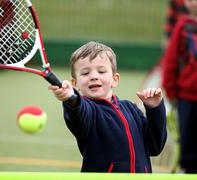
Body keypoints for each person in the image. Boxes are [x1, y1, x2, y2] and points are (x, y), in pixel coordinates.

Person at [49, 41, 167, 173]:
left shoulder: (131, 109)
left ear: (114, 79)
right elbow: (78, 112)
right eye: (85, 73)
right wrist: (71, 97)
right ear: (75, 83)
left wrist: (155, 109)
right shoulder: (89, 110)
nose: (94, 76)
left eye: (101, 71)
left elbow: (155, 147)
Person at [162, 0, 197, 174]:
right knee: (188, 145)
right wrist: (170, 89)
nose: (195, 3)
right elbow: (170, 60)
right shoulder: (182, 26)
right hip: (186, 98)